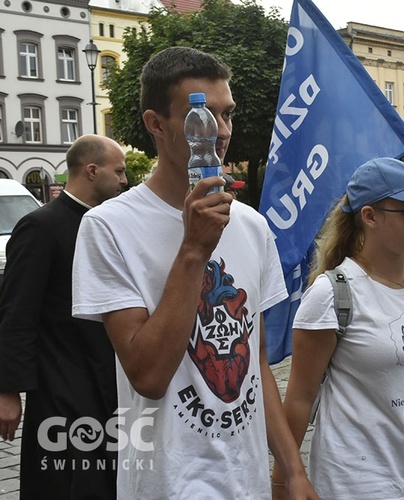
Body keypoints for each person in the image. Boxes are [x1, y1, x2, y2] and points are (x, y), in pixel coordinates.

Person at [71, 47, 316, 499]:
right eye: (201, 118)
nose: (220, 132)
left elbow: (256, 365)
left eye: (227, 114)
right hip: (165, 483)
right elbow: (147, 374)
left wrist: (292, 469)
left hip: (246, 482)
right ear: (156, 124)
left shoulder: (252, 226)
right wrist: (193, 249)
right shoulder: (108, 227)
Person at [271, 158, 404, 500]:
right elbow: (299, 397)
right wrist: (282, 482)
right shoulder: (332, 294)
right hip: (353, 481)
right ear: (370, 217)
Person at [0, 134, 126, 498]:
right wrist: (7, 390)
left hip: (108, 376)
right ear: (91, 170)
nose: (124, 180)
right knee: (66, 482)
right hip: (62, 380)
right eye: (117, 171)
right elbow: (15, 311)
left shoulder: (110, 223)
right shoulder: (40, 226)